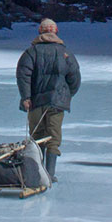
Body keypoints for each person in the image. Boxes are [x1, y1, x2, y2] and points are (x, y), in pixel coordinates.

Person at [17, 18, 81, 182]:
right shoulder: (66, 53)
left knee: (37, 138)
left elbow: (23, 75)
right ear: (55, 32)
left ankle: (36, 174)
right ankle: (49, 174)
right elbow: (75, 78)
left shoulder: (31, 53)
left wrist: (26, 97)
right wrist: (66, 95)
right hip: (57, 104)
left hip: (35, 102)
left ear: (40, 32)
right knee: (53, 138)